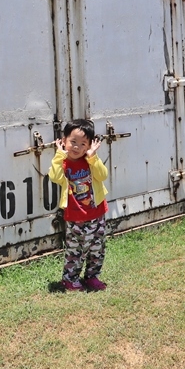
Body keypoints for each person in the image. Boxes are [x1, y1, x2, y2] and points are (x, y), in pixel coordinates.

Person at [48, 119, 110, 292]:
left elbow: (102, 175)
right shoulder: (63, 163)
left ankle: (92, 277)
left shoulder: (90, 161)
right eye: (72, 142)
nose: (76, 147)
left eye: (83, 143)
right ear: (64, 141)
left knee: (97, 248)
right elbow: (54, 176)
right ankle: (70, 280)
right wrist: (59, 155)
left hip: (97, 213)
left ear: (89, 145)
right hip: (76, 217)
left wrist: (93, 157)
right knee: (76, 250)